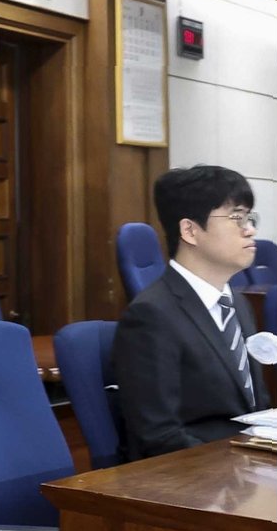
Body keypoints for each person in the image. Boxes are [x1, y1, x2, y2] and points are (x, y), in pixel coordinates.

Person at [114, 164, 267, 460]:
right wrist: (243, 469)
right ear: (190, 230)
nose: (250, 229)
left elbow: (255, 409)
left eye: (249, 218)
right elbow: (159, 437)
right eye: (236, 217)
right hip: (197, 473)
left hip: (250, 462)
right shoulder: (151, 315)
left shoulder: (238, 303)